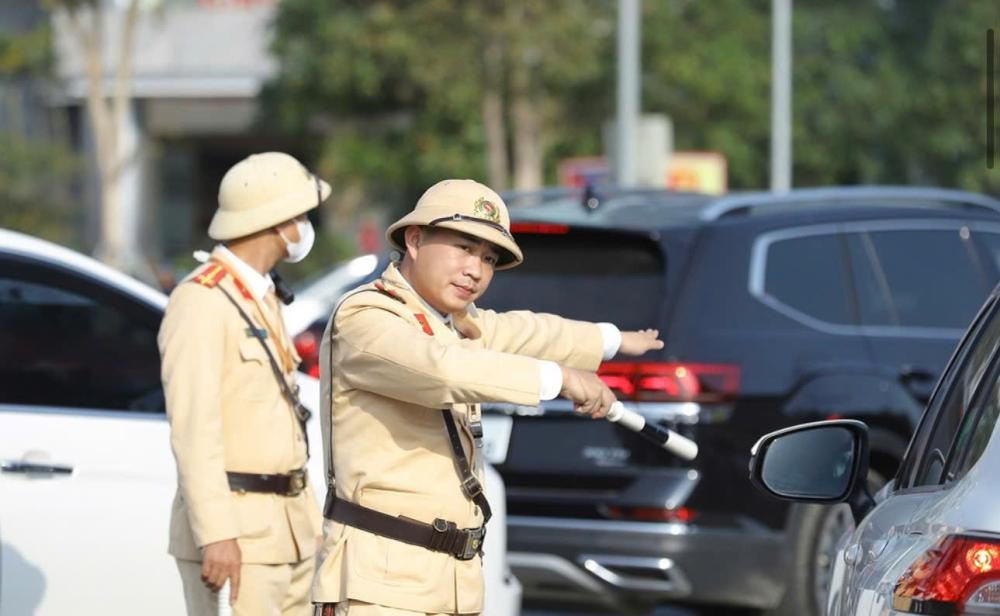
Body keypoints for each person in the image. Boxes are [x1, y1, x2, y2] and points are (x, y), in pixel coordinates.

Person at [312, 179, 663, 615]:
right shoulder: (365, 316)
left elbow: (525, 331)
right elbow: (441, 369)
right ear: (415, 240)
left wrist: (611, 340)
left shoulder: (452, 322)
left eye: (488, 258)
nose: (475, 270)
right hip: (380, 586)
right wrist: (559, 379)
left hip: (450, 580)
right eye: (463, 248)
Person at [159, 152, 330, 616]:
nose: (305, 227)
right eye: (301, 215)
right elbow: (194, 431)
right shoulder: (202, 301)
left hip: (287, 532)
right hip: (236, 537)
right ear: (277, 220)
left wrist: (310, 524)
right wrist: (216, 535)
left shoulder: (260, 294)